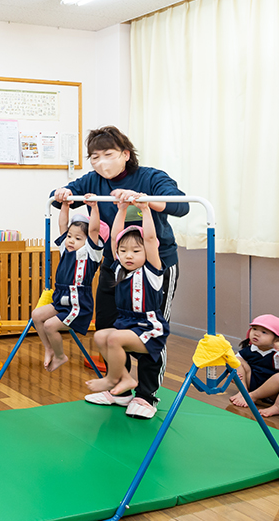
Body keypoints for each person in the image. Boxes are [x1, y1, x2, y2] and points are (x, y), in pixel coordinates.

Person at [53, 125, 188, 419]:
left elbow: (180, 206)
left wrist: (142, 198)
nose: (101, 162)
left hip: (154, 264)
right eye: (94, 157)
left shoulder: (151, 176)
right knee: (108, 326)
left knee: (151, 329)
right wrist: (62, 193)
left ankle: (147, 395)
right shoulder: (93, 180)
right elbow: (60, 196)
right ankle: (120, 387)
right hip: (114, 264)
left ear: (125, 154)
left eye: (108, 154)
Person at [87, 197, 169, 397]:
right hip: (127, 324)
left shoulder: (151, 272)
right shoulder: (119, 270)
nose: (128, 255)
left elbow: (149, 239)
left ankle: (112, 379)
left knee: (113, 338)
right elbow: (115, 238)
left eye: (135, 251)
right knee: (100, 335)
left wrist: (146, 209)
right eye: (123, 251)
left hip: (149, 328)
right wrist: (122, 209)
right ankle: (125, 377)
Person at [31, 196, 106, 372]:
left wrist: (94, 207)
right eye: (71, 237)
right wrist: (65, 206)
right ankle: (49, 348)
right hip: (61, 299)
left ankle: (60, 355)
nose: (71, 240)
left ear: (88, 242)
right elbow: (63, 226)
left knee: (50, 325)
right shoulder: (67, 248)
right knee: (37, 315)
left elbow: (94, 229)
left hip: (78, 304)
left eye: (78, 238)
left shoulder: (90, 253)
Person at [229, 315, 279, 410]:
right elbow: (234, 365)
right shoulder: (249, 350)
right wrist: (232, 375)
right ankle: (243, 392)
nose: (256, 334)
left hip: (272, 392)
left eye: (264, 332)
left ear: (276, 339)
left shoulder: (276, 354)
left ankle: (274, 405)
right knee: (236, 361)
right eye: (254, 329)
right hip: (252, 383)